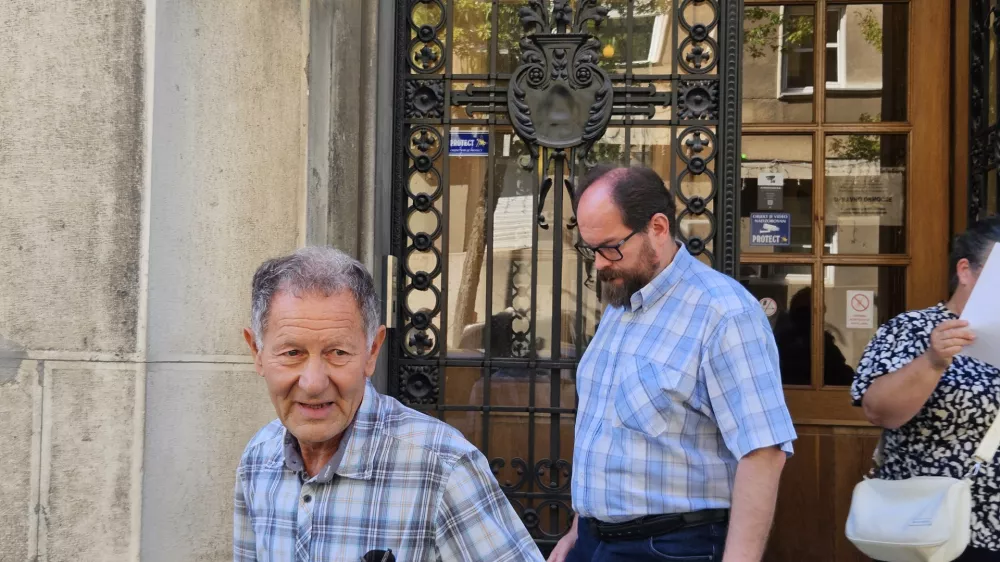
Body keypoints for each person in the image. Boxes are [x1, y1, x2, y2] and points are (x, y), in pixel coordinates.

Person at [548, 165, 797, 562]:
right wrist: (579, 532)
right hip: (596, 542)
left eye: (610, 248)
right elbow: (609, 431)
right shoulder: (623, 300)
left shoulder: (724, 313)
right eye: (590, 249)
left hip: (673, 547)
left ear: (658, 228)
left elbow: (763, 453)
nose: (598, 264)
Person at [233, 247, 543, 561]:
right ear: (257, 352)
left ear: (372, 351)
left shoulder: (443, 468)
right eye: (292, 353)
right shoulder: (257, 461)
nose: (313, 383)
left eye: (338, 353)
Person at [851, 216, 1000, 562]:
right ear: (966, 271)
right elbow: (880, 412)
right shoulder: (911, 330)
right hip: (930, 530)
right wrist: (933, 361)